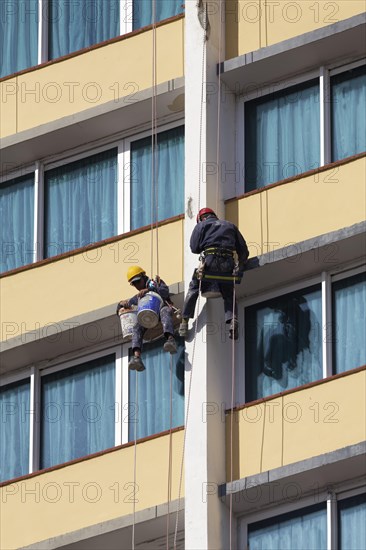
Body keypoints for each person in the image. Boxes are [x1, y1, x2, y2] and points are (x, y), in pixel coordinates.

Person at [179, 208, 249, 340]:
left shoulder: (201, 225)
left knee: (194, 287)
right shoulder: (230, 225)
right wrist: (241, 265)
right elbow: (243, 250)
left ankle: (184, 322)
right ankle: (233, 321)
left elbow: (194, 248)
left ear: (201, 218)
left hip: (210, 261)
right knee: (228, 290)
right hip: (227, 263)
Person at [117, 266, 177, 371]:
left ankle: (170, 340)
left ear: (143, 276)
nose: (136, 285)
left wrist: (149, 290)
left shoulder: (155, 283)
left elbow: (164, 292)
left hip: (160, 307)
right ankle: (136, 357)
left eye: (137, 281)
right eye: (134, 284)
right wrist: (121, 304)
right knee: (136, 327)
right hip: (148, 315)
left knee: (165, 311)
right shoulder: (139, 297)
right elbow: (122, 308)